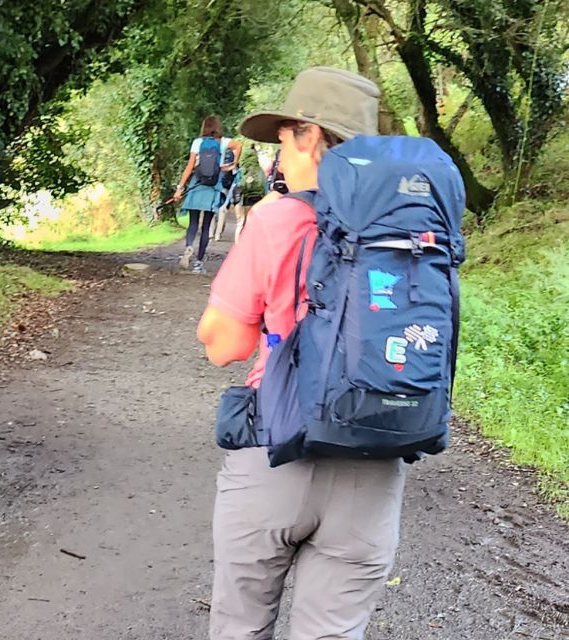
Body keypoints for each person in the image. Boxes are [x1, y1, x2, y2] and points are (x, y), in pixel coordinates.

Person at [196, 67, 399, 639]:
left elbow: (224, 344)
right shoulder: (406, 225)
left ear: (310, 135)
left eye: (283, 139)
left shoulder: (279, 218)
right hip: (375, 462)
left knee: (240, 626)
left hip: (276, 451)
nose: (279, 158)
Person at [174, 116, 242, 273]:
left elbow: (189, 167)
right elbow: (238, 145)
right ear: (218, 127)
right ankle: (198, 264)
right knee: (206, 226)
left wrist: (180, 187)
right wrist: (232, 164)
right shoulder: (224, 142)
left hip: (197, 184)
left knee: (193, 223)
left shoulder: (198, 142)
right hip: (213, 186)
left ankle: (189, 247)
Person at [210, 149, 242, 242]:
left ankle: (210, 233)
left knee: (213, 209)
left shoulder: (219, 162)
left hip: (217, 187)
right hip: (228, 189)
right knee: (222, 211)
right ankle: (218, 235)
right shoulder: (235, 165)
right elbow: (236, 179)